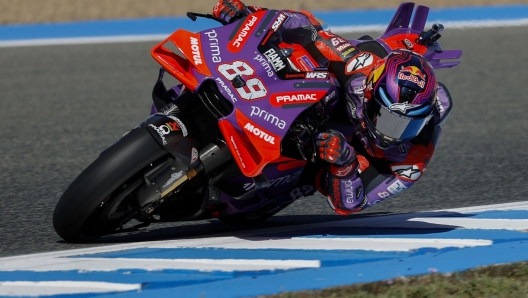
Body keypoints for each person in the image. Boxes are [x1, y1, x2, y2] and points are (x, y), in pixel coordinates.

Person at [212, 0, 453, 215]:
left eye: (409, 125)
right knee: (298, 54)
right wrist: (248, 15)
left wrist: (345, 165)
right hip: (314, 101)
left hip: (326, 158)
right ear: (370, 94)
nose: (392, 135)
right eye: (388, 119)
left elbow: (352, 204)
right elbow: (308, 27)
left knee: (305, 170)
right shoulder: (359, 68)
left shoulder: (412, 159)